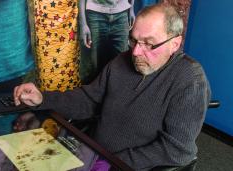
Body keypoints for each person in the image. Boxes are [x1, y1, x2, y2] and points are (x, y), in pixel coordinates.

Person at [14, 3, 211, 170]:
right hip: (93, 154)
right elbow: (88, 100)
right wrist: (43, 98)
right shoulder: (121, 61)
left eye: (149, 44)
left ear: (175, 44)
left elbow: (177, 151)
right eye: (133, 40)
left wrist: (112, 163)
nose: (135, 52)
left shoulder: (190, 80)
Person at [79, 0, 135, 84]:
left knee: (122, 62)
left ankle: (116, 94)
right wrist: (83, 24)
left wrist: (131, 9)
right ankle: (93, 94)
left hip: (122, 12)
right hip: (95, 13)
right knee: (93, 65)